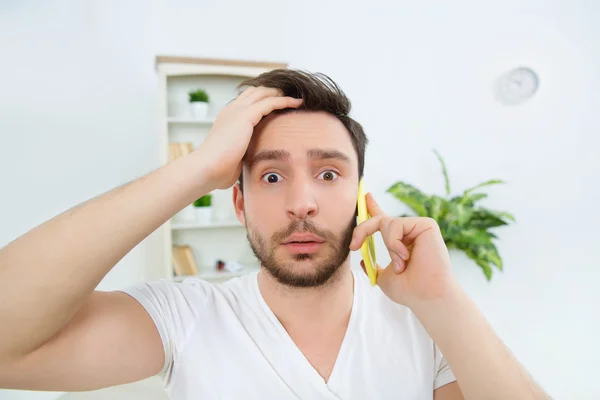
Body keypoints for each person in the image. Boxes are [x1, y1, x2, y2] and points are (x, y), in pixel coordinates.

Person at [0, 69, 549, 400]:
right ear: (238, 203)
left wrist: (441, 300)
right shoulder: (186, 316)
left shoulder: (424, 325)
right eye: (270, 176)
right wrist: (197, 169)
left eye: (329, 173)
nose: (302, 201)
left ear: (362, 197)